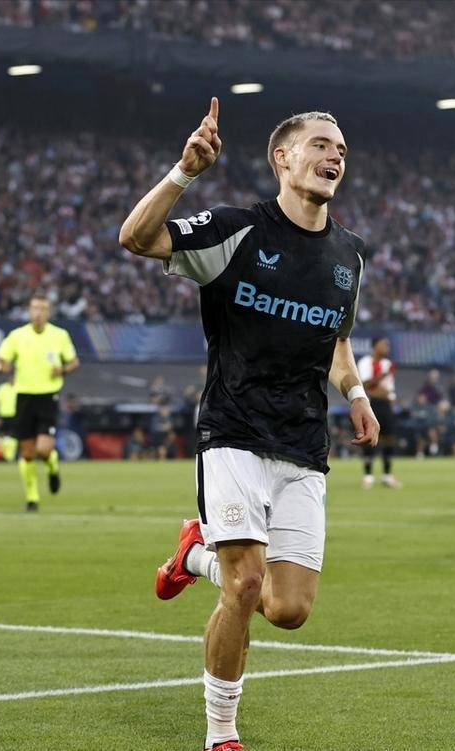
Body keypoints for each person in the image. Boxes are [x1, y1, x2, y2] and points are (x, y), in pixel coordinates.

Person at [119, 97, 379, 751]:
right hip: (232, 433)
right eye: (321, 144)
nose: (334, 156)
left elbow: (337, 338)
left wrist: (355, 392)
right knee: (245, 584)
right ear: (282, 158)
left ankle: (192, 553)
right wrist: (184, 172)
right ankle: (221, 732)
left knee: (288, 609)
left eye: (341, 150)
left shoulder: (349, 255)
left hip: (303, 443)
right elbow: (137, 238)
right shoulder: (235, 230)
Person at [0, 294, 78, 512]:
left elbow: (74, 362)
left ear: (48, 312)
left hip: (48, 396)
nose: (38, 313)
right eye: (35, 308)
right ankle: (32, 498)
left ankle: (52, 465)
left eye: (43, 309)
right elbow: (0, 360)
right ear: (29, 311)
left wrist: (62, 369)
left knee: (44, 449)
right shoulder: (17, 336)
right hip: (24, 397)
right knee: (28, 452)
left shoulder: (59, 335)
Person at [357, 336, 399, 488]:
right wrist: (382, 375)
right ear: (374, 346)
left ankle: (387, 476)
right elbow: (366, 384)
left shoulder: (388, 364)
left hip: (386, 404)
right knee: (370, 438)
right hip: (370, 404)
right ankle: (368, 476)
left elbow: (388, 389)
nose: (387, 347)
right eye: (383, 344)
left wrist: (389, 399)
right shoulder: (365, 362)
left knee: (389, 438)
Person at [0, 374, 18, 461]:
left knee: (14, 435)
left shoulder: (19, 387)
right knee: (1, 434)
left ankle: (11, 455)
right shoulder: (2, 388)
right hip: (3, 415)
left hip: (15, 415)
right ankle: (2, 454)